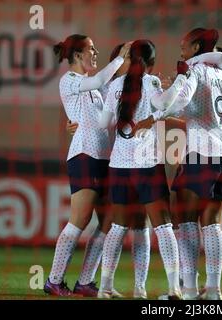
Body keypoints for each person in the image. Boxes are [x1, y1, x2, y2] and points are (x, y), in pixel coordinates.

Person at [135, 28, 222, 300]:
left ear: (197, 46)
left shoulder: (196, 72)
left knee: (186, 220)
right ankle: (213, 291)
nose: (181, 48)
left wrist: (159, 109)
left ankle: (189, 290)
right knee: (212, 223)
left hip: (201, 154)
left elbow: (183, 101)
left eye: (185, 44)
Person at [43, 34, 131, 297]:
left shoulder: (95, 87)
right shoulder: (70, 80)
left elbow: (112, 98)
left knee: (107, 220)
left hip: (106, 158)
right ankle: (54, 280)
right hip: (85, 156)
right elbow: (103, 78)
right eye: (91, 49)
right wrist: (119, 58)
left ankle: (85, 281)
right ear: (78, 55)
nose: (96, 52)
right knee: (79, 219)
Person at [64, 43, 150, 299]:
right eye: (124, 59)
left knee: (112, 222)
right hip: (107, 161)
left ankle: (89, 282)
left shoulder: (134, 85)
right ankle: (57, 279)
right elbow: (94, 118)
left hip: (120, 161)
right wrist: (74, 126)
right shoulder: (105, 86)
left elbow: (99, 119)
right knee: (89, 220)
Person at [98, 39, 182, 299]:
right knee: (162, 226)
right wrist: (176, 84)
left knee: (119, 227)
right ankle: (169, 288)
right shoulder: (151, 82)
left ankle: (104, 287)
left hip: (120, 166)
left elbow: (104, 123)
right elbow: (165, 106)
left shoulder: (114, 86)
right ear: (152, 63)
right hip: (147, 164)